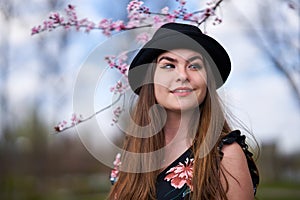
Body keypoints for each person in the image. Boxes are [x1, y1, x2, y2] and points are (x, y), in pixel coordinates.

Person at [108, 22, 259, 200]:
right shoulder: (129, 159)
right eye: (169, 66)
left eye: (194, 66)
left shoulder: (224, 156)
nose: (182, 75)